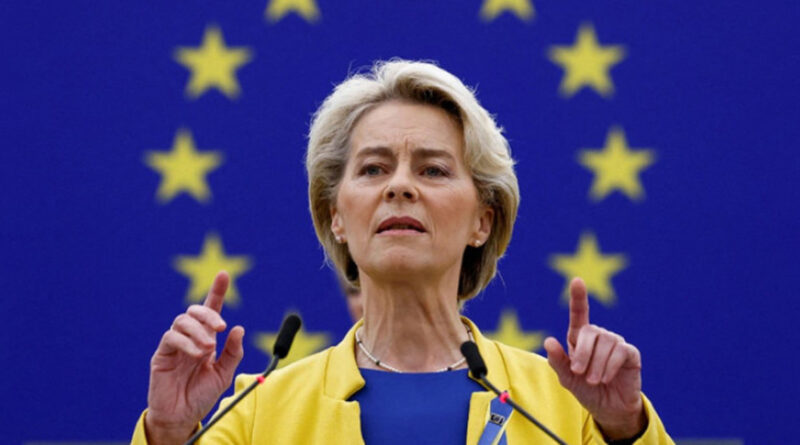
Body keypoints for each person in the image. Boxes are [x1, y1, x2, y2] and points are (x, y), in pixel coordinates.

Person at [132, 59, 673, 444]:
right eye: (373, 169)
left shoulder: (565, 407)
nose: (399, 187)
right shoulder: (258, 411)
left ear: (482, 221)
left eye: (433, 170)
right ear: (336, 216)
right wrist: (169, 431)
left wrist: (625, 430)